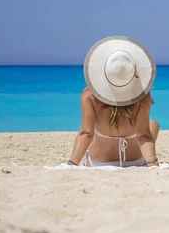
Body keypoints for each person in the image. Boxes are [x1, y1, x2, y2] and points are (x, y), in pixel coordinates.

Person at [67, 36, 160, 167]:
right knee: (153, 124)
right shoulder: (143, 96)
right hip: (135, 161)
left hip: (99, 162)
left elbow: (86, 134)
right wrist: (152, 163)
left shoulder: (89, 95)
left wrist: (71, 164)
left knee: (91, 132)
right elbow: (143, 136)